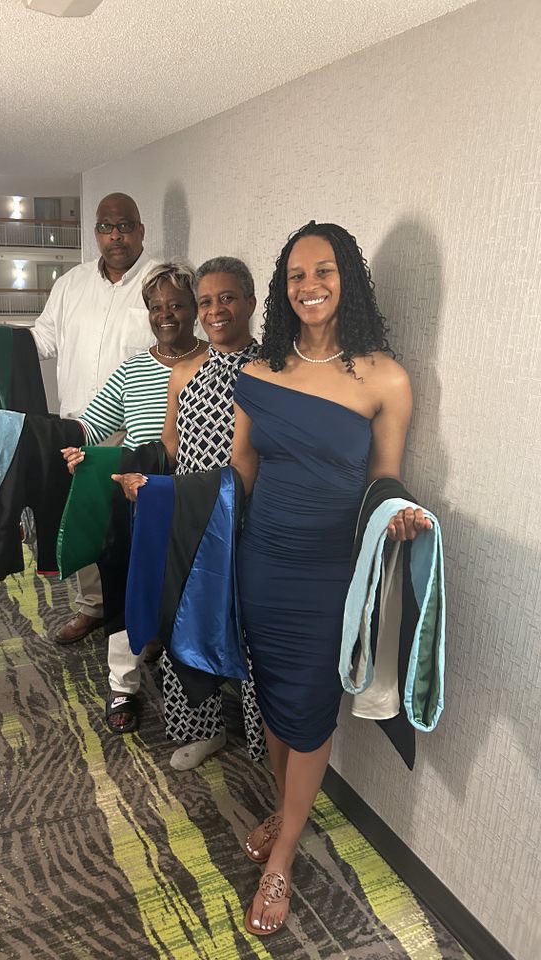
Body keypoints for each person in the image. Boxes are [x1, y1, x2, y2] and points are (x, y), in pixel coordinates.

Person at [230, 221, 432, 936]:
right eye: (295, 276)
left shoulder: (385, 376)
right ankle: (285, 811)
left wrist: (400, 516)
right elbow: (240, 473)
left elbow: (384, 480)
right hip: (262, 562)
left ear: (347, 279)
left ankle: (282, 853)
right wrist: (166, 500)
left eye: (324, 272)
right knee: (276, 695)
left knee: (311, 708)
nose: (309, 286)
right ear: (283, 290)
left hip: (329, 573)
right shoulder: (258, 372)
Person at [0, 193, 160, 645]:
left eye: (124, 226)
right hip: (78, 424)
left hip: (137, 430)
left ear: (141, 230)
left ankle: (145, 616)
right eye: (105, 227)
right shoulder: (71, 284)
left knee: (134, 529)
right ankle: (94, 607)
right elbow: (40, 340)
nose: (114, 235)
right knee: (79, 519)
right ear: (95, 233)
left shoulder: (161, 282)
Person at [114, 257, 266, 771]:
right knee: (186, 618)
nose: (216, 309)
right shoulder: (185, 369)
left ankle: (261, 734)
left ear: (249, 300)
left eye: (227, 297)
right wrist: (157, 491)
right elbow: (172, 442)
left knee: (247, 627)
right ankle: (201, 729)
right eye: (206, 301)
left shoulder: (270, 368)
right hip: (191, 514)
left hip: (248, 519)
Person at [60, 261, 207, 732]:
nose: (166, 315)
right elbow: (92, 423)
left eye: (177, 305)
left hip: (198, 501)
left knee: (188, 595)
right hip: (138, 501)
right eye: (156, 307)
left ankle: (182, 681)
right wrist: (48, 440)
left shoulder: (215, 362)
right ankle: (122, 688)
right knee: (127, 591)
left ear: (195, 310)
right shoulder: (134, 367)